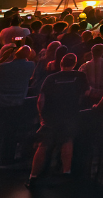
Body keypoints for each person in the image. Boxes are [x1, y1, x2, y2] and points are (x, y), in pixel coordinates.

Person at [27, 53, 89, 187]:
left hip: (51, 116)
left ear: (61, 63)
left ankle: (33, 176)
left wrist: (41, 116)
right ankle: (66, 173)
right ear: (75, 64)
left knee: (43, 144)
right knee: (67, 141)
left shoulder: (51, 78)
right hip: (70, 114)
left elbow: (41, 99)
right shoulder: (79, 76)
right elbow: (85, 94)